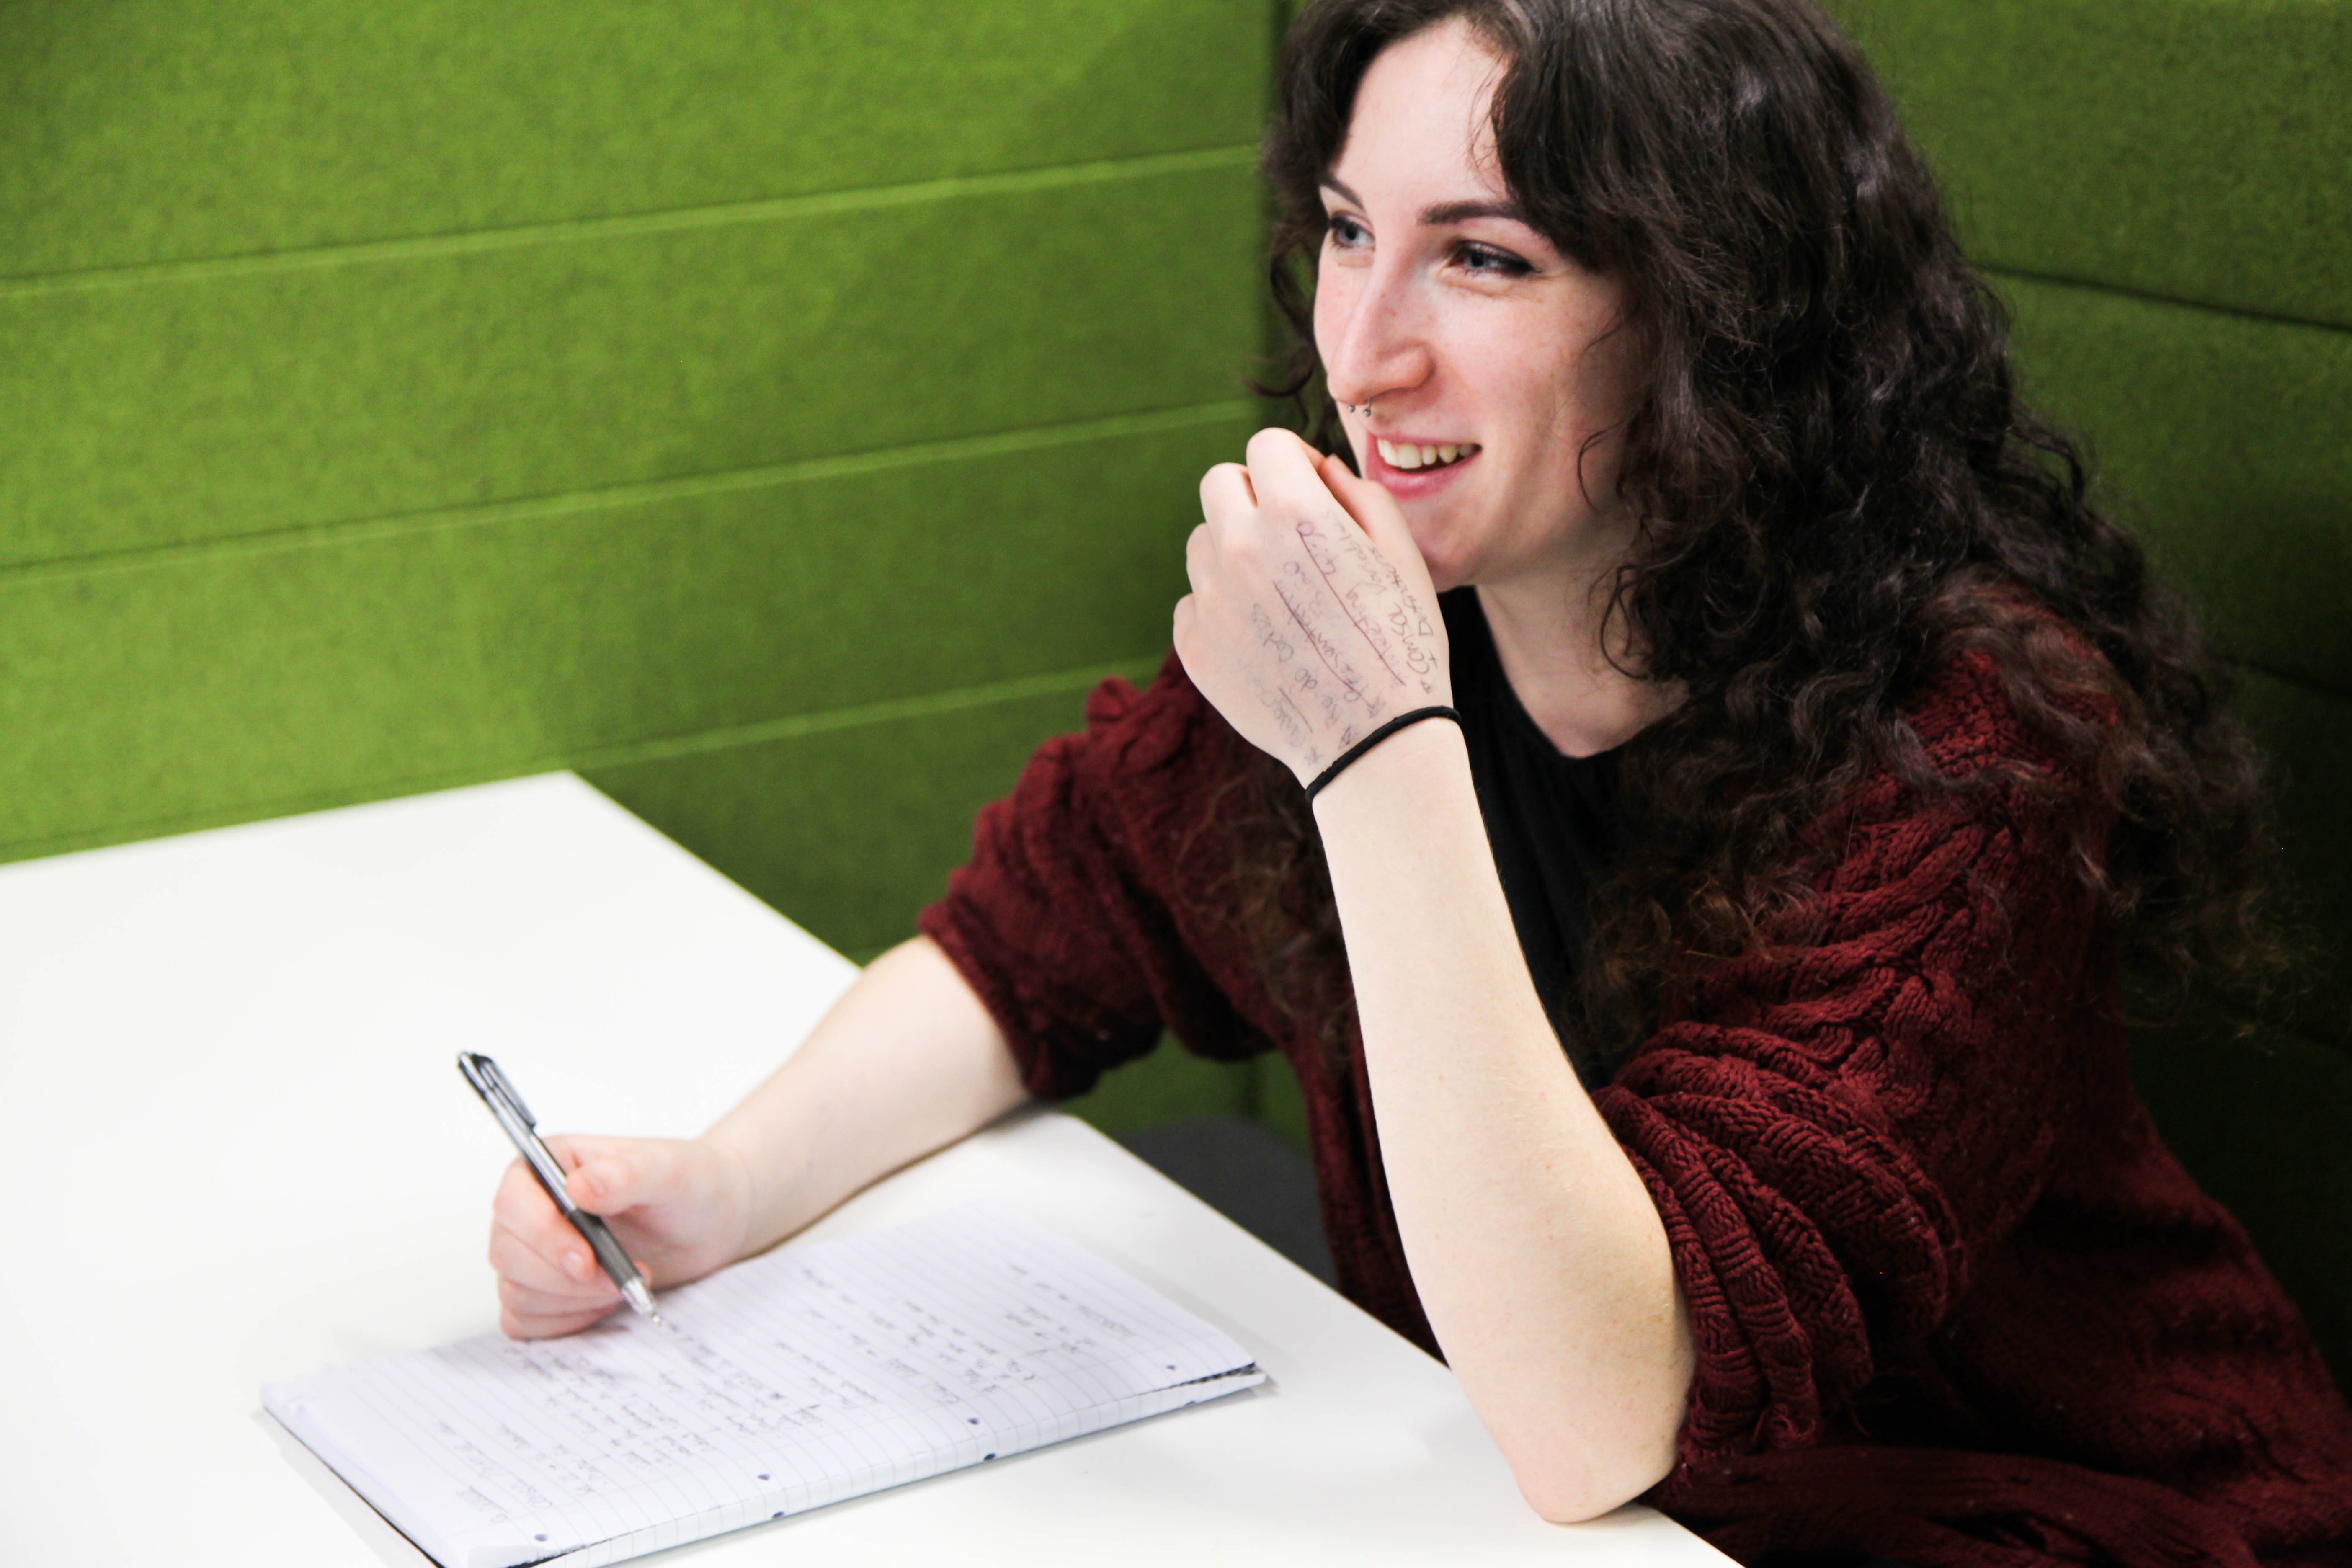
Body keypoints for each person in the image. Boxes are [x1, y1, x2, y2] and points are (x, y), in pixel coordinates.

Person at [486, 0, 2352, 1560]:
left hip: (2079, 1522)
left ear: (1710, 310)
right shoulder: (1412, 601)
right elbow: (1032, 943)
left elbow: (1602, 1411)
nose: (1366, 352)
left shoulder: (1969, 744)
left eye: (1484, 255)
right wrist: (718, 1189)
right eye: (1346, 229)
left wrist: (1373, 744)